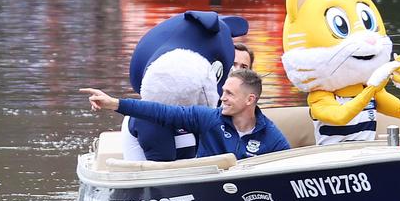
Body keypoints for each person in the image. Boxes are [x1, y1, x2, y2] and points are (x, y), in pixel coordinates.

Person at [86, 69, 289, 159]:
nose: (222, 97)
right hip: (206, 196)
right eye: (223, 91)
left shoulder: (271, 136)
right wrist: (114, 103)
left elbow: (289, 168)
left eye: (229, 93)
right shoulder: (209, 119)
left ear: (250, 100)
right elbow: (162, 112)